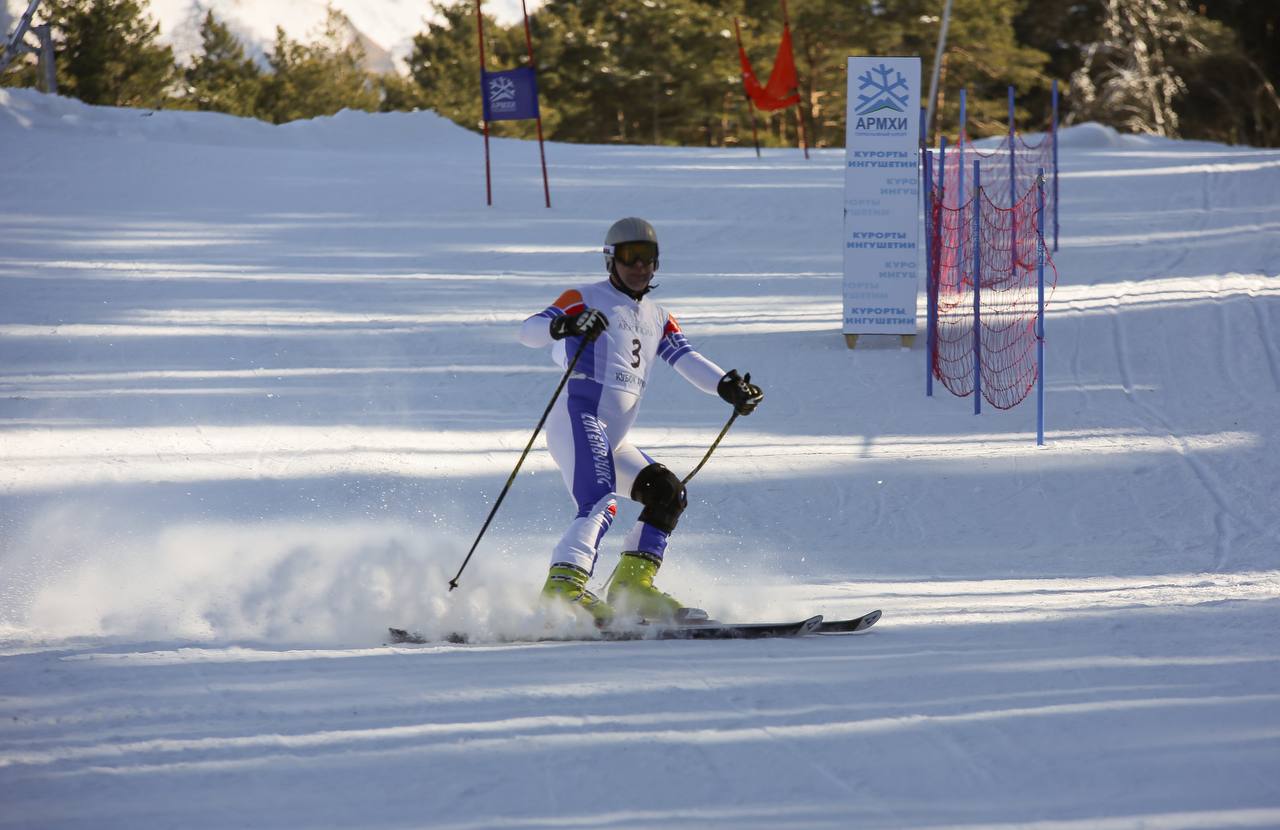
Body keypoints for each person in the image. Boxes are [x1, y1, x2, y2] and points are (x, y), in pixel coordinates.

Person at [518, 217, 764, 625]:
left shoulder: (658, 315)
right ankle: (562, 592)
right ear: (611, 260)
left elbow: (686, 357)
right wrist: (564, 325)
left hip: (612, 438)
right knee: (599, 501)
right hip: (579, 420)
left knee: (668, 493)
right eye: (631, 257)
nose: (641, 267)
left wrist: (727, 386)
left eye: (649, 258)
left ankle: (632, 589)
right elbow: (529, 330)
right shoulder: (585, 297)